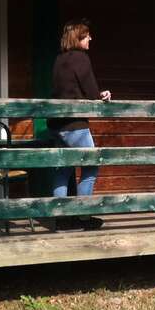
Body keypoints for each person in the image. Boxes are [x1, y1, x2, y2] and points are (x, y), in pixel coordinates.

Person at [48, 19, 111, 230]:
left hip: (57, 125)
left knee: (62, 169)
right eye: (87, 35)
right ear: (79, 37)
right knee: (91, 166)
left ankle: (61, 218)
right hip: (75, 125)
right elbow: (92, 92)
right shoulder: (81, 58)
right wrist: (102, 95)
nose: (90, 38)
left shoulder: (59, 59)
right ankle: (83, 217)